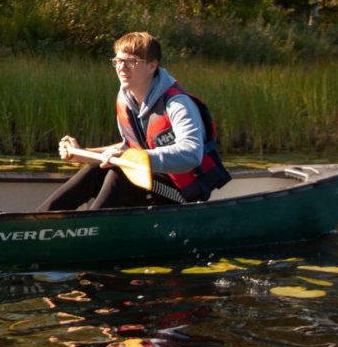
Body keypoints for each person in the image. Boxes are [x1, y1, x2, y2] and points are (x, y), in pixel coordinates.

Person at [37, 31, 230, 212]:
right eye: (118, 61)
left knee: (121, 173)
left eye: (131, 61)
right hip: (146, 181)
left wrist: (133, 158)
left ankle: (88, 229)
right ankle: (39, 221)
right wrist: (82, 154)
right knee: (96, 169)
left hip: (181, 196)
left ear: (152, 66)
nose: (121, 67)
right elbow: (128, 147)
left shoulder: (178, 104)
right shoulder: (126, 100)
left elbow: (191, 155)